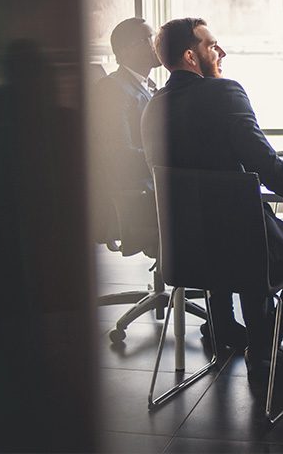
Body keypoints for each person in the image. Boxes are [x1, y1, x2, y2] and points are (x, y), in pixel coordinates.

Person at [141, 17, 283, 378]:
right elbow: (267, 169)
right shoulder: (225, 92)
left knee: (244, 232)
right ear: (191, 56)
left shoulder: (153, 106)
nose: (221, 51)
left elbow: (203, 160)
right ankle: (267, 344)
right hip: (243, 247)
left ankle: (222, 326)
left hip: (185, 250)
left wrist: (270, 162)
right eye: (212, 45)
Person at [95, 18, 247, 350]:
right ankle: (224, 324)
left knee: (217, 208)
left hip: (160, 188)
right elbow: (118, 154)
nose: (157, 45)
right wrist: (173, 161)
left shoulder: (152, 87)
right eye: (150, 39)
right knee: (218, 218)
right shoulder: (112, 91)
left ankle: (223, 322)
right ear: (131, 48)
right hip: (141, 199)